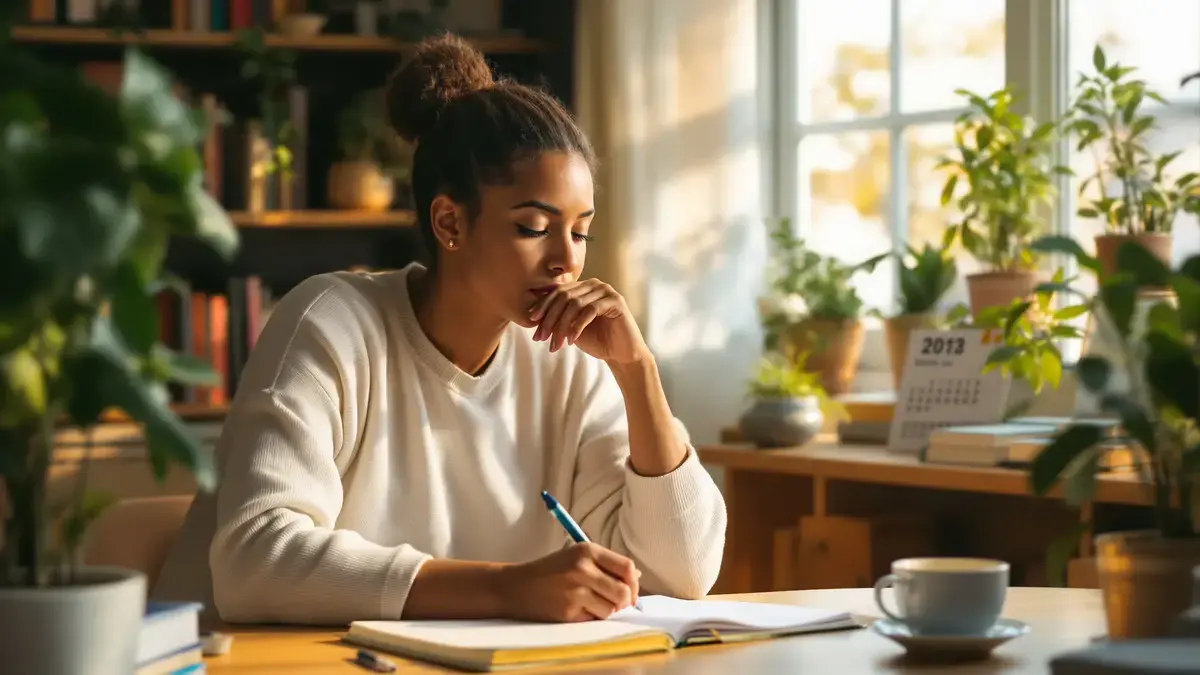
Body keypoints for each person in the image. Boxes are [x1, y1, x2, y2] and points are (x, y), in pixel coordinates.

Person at [152, 33, 727, 627]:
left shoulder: (571, 361)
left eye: (580, 232)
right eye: (534, 227)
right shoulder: (330, 323)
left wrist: (637, 373)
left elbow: (683, 574)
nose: (567, 261)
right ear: (450, 222)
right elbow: (257, 561)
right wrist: (506, 590)